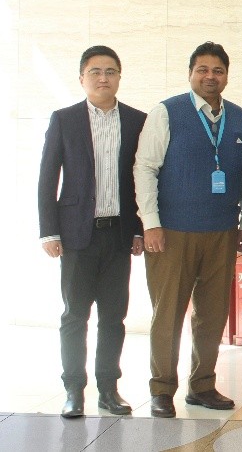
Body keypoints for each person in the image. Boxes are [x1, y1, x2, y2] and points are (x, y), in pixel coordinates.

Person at [134, 41, 242, 418]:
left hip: (222, 231)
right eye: (202, 69)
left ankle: (202, 385)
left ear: (227, 76)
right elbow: (145, 168)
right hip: (171, 232)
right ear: (190, 74)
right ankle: (161, 388)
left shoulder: (239, 118)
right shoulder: (167, 112)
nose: (210, 76)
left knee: (213, 314)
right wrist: (151, 223)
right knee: (168, 313)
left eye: (218, 70)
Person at [37, 46, 146, 419]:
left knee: (114, 317)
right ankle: (73, 390)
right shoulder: (64, 119)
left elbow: (142, 179)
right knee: (74, 316)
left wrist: (138, 229)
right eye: (96, 71)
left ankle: (108, 389)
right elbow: (47, 177)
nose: (103, 78)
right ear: (82, 78)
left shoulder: (136, 120)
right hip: (75, 236)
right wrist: (49, 231)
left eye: (111, 71)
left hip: (118, 235)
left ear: (119, 77)